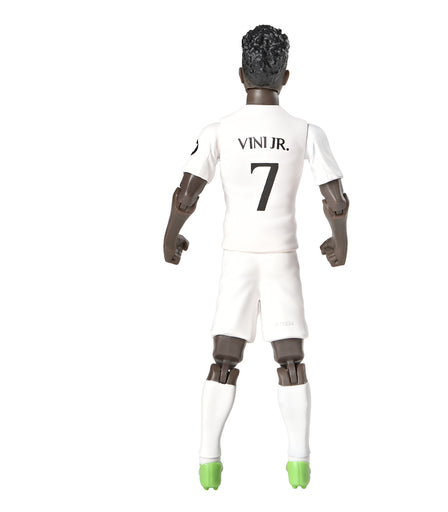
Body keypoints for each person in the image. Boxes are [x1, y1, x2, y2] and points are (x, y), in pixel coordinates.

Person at [163, 24, 349, 490]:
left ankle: (208, 462)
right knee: (291, 360)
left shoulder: (219, 131)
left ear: (240, 75)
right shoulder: (305, 132)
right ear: (285, 77)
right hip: (282, 256)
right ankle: (299, 463)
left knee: (224, 357)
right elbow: (335, 198)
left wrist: (171, 236)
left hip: (239, 259)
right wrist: (339, 240)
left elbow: (186, 194)